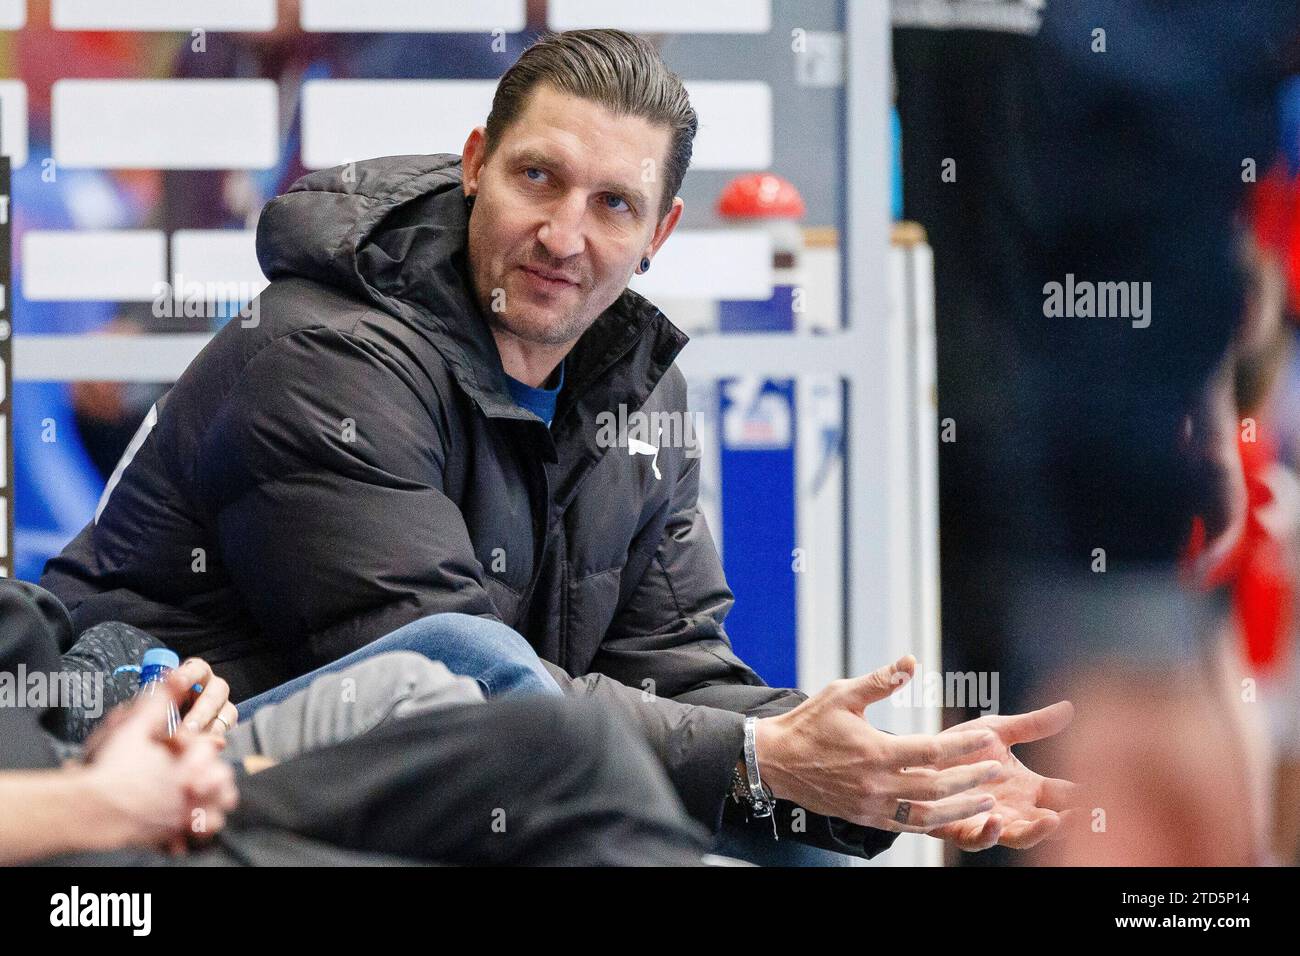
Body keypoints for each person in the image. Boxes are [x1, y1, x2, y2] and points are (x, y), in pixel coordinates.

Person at [41, 29, 1076, 860]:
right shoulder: (324, 353)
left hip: (435, 754)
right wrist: (761, 756)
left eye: (611, 204)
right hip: (166, 754)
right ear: (477, 164)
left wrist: (869, 772)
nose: (564, 235)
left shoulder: (635, 385)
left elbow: (671, 670)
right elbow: (444, 673)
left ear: (658, 233)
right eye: (538, 178)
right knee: (489, 670)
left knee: (784, 812)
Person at [0, 579, 711, 866]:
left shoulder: (632, 403)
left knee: (564, 748)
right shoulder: (323, 352)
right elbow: (403, 591)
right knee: (498, 693)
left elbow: (681, 655)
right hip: (82, 835)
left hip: (87, 778)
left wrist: (135, 688)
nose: (560, 247)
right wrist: (105, 798)